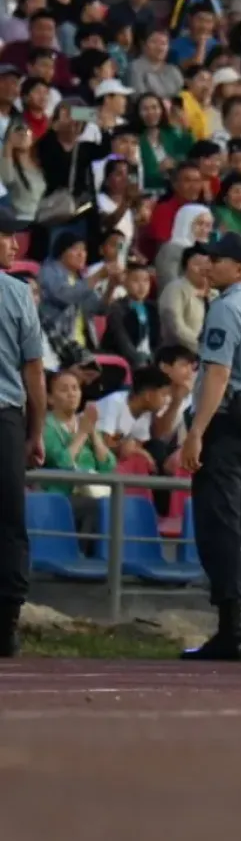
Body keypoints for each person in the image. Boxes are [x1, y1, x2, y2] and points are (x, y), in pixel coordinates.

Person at [178, 233, 241, 662]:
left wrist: (197, 430)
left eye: (218, 259)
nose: (209, 263)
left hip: (224, 424)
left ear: (239, 268)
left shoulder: (226, 307)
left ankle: (231, 630)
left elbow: (217, 374)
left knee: (221, 528)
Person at [0, 206, 45, 656]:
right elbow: (34, 372)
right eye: (8, 236)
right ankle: (7, 622)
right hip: (5, 419)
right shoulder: (16, 294)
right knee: (10, 523)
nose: (15, 245)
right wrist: (37, 432)